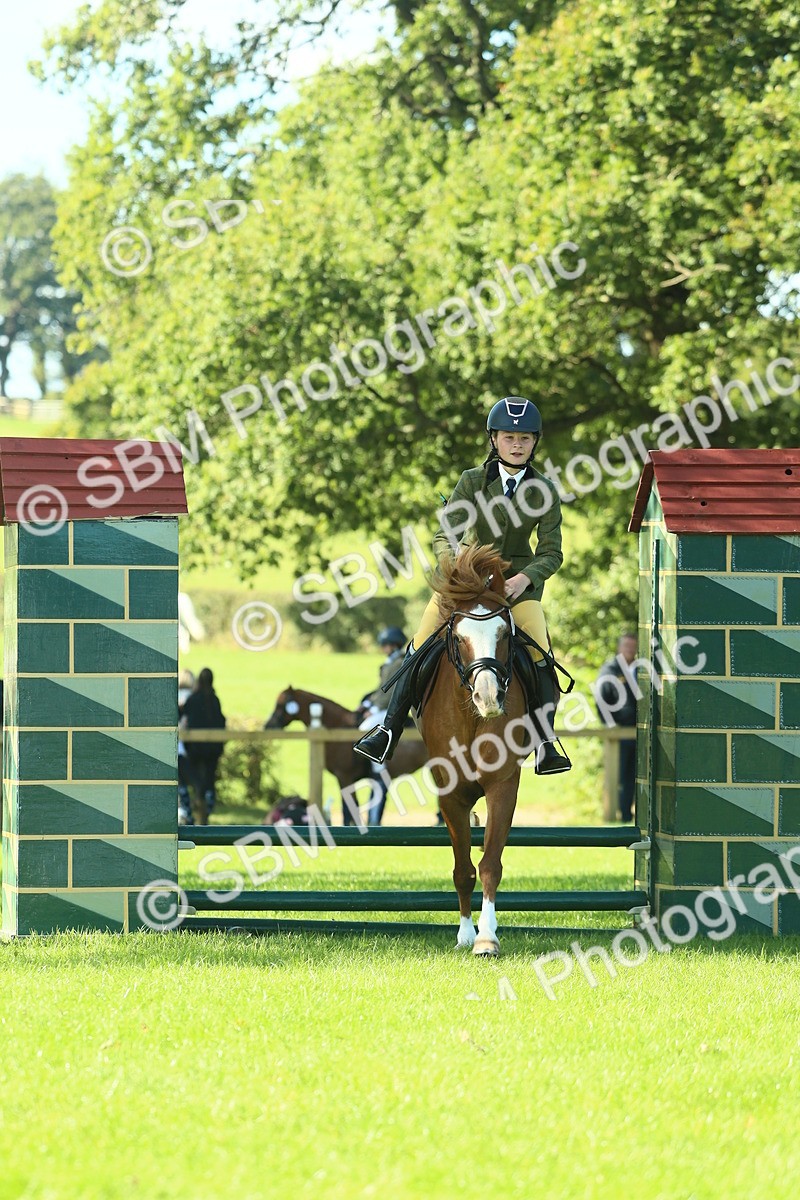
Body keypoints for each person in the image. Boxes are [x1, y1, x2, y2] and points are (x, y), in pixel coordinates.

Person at [355, 395, 571, 775]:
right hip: (463, 585)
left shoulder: (545, 491)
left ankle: (546, 741)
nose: (516, 445)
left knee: (539, 650)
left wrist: (525, 578)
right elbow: (444, 536)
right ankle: (388, 729)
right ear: (494, 440)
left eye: (524, 438)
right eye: (508, 437)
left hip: (514, 589)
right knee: (420, 642)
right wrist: (459, 571)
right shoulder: (471, 481)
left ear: (535, 442)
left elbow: (551, 552)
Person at [357, 627, 407, 824]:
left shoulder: (398, 662)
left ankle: (378, 764)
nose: (383, 648)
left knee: (365, 728)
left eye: (386, 645)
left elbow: (390, 692)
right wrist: (367, 702)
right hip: (380, 705)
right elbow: (380, 689)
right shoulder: (390, 662)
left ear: (393, 645)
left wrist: (374, 706)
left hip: (391, 708)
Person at [595, 634, 638, 822]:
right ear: (619, 647)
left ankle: (628, 816)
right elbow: (601, 698)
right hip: (618, 734)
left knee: (633, 777)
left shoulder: (641, 669)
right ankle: (613, 815)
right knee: (617, 776)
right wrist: (611, 725)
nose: (630, 649)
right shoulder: (610, 670)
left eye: (633, 646)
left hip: (638, 733)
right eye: (626, 646)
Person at [180, 667, 226, 822]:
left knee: (195, 781)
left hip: (195, 748)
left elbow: (184, 717)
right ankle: (204, 811)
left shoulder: (193, 700)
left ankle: (194, 810)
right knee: (207, 781)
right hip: (212, 749)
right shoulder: (215, 700)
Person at [177, 669, 196, 825]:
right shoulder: (192, 698)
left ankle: (183, 812)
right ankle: (186, 813)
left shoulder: (173, 696)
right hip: (186, 749)